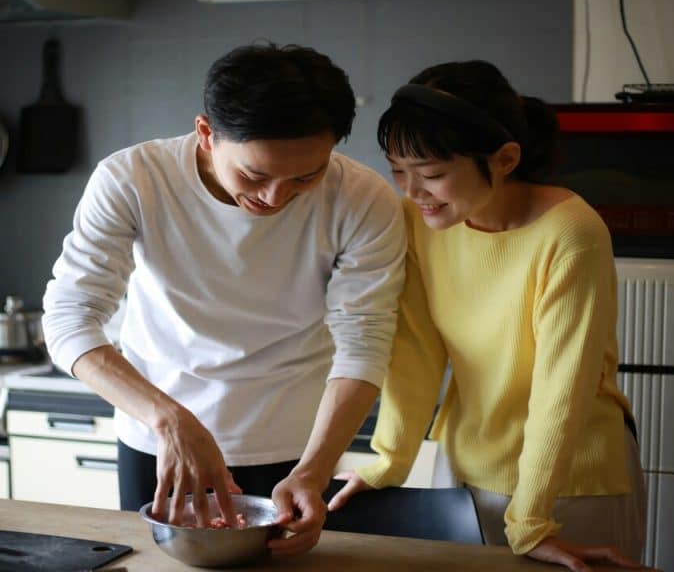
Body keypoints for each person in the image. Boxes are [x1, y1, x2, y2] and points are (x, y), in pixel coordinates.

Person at [42, 43, 405, 556]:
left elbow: (364, 339)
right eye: (255, 175)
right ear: (207, 134)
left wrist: (315, 470)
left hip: (297, 449)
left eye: (305, 177)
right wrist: (169, 420)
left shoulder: (363, 199)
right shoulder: (134, 179)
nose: (275, 198)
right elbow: (68, 318)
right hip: (159, 443)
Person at [327, 60, 646, 572]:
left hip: (569, 482)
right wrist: (390, 460)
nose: (412, 191)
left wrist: (533, 518)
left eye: (432, 174)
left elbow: (563, 384)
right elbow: (414, 350)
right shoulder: (418, 220)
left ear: (504, 159)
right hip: (464, 468)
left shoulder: (570, 232)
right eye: (398, 170)